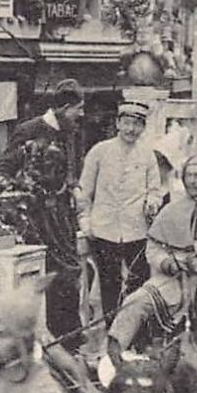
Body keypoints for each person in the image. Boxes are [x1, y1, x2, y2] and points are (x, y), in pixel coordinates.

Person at [109, 155, 197, 362]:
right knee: (135, 301)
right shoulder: (171, 210)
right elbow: (153, 249)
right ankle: (112, 358)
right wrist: (168, 263)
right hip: (173, 280)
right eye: (189, 176)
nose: (193, 181)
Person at [0, 81, 86, 340]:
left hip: (62, 217)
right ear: (64, 108)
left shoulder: (68, 131)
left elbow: (68, 171)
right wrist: (22, 199)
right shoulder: (29, 130)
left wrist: (74, 187)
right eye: (77, 109)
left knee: (69, 275)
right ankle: (61, 338)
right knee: (53, 278)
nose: (80, 115)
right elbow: (2, 169)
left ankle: (71, 337)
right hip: (39, 219)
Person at [75, 100, 161, 316]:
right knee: (109, 286)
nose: (131, 129)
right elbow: (83, 191)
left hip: (137, 230)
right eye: (127, 123)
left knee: (138, 284)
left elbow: (155, 189)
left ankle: (135, 337)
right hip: (104, 229)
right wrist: (86, 222)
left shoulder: (147, 154)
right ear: (117, 123)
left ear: (143, 127)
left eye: (137, 124)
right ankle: (111, 332)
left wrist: (152, 202)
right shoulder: (99, 151)